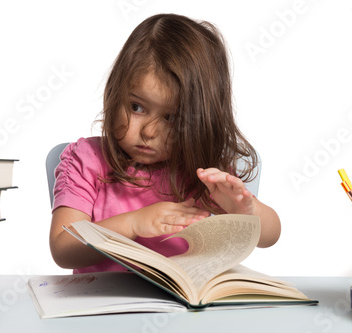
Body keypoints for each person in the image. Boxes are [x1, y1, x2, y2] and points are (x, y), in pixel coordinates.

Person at [49, 13, 281, 273]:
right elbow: (63, 248)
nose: (149, 132)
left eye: (171, 117)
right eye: (136, 107)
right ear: (115, 92)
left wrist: (248, 212)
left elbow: (270, 237)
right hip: (104, 308)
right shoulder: (87, 159)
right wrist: (133, 224)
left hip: (184, 309)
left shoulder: (202, 169)